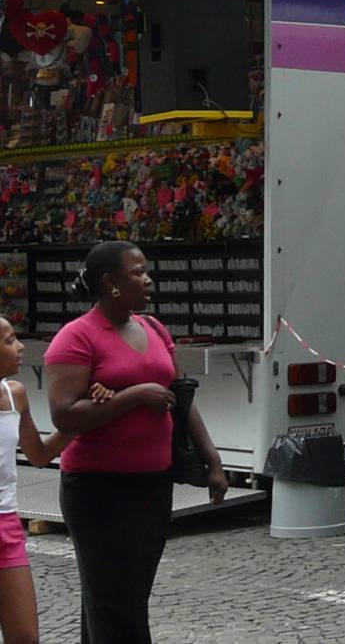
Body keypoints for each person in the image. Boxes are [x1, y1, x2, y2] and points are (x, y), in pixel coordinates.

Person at [44, 240, 228, 644]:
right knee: (117, 602)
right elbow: (65, 415)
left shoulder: (154, 328)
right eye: (137, 272)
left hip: (152, 486)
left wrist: (212, 459)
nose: (148, 280)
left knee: (122, 597)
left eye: (147, 271)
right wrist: (135, 396)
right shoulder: (76, 337)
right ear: (109, 282)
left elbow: (181, 398)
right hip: (97, 491)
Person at [2, 315, 75, 644]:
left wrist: (82, 417)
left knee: (25, 636)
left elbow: (39, 455)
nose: (20, 347)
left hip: (6, 524)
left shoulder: (14, 394)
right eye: (9, 341)